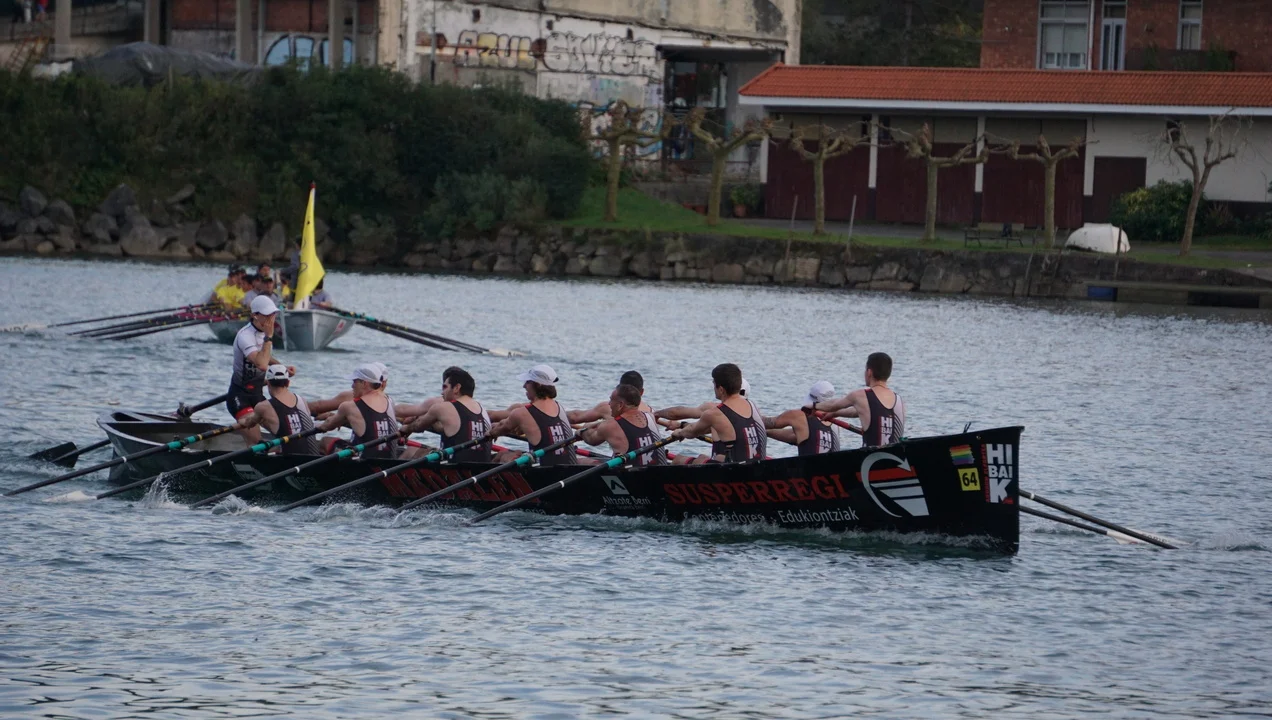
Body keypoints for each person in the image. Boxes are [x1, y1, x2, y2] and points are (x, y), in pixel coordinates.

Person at [227, 296, 294, 443]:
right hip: (240, 396)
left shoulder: (263, 333)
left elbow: (263, 356)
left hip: (257, 395)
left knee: (285, 431)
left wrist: (281, 367)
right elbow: (262, 364)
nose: (271, 319)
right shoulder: (245, 336)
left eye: (273, 314)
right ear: (255, 315)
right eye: (267, 315)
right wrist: (269, 337)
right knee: (255, 439)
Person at [669, 364, 765, 464]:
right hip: (758, 466)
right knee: (703, 457)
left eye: (714, 384)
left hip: (734, 470)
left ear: (721, 390)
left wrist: (679, 433)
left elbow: (692, 432)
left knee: (678, 460)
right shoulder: (753, 406)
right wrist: (681, 425)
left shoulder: (715, 413)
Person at [486, 364, 578, 466]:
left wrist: (490, 433)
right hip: (571, 467)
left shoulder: (522, 413)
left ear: (538, 384)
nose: (524, 386)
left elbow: (500, 429)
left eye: (527, 382)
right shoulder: (559, 406)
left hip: (546, 472)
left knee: (503, 455)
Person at [398, 367, 493, 462]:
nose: (442, 392)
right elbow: (457, 429)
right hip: (483, 467)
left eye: (445, 387)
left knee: (410, 451)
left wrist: (405, 429)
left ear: (456, 388)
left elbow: (418, 426)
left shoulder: (443, 407)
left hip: (455, 467)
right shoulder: (482, 409)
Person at [813, 352, 905, 447]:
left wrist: (813, 406)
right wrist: (836, 413)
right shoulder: (899, 400)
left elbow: (833, 405)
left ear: (869, 372)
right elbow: (861, 411)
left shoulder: (860, 395)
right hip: (898, 455)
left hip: (871, 455)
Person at [315, 363, 402, 459]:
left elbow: (327, 425)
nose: (352, 386)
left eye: (354, 381)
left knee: (325, 441)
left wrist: (315, 426)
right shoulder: (389, 400)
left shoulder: (349, 406)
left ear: (364, 383)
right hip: (389, 461)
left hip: (364, 463)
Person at [238, 365, 323, 455]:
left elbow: (249, 424)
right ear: (288, 383)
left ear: (268, 383)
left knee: (255, 448)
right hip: (313, 456)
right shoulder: (302, 400)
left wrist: (242, 421)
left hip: (289, 460)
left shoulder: (263, 406)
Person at [577, 383, 667, 466]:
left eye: (611, 400)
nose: (609, 404)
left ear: (620, 405)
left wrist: (580, 432)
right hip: (659, 472)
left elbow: (591, 439)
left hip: (631, 475)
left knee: (580, 462)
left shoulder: (610, 425)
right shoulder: (650, 416)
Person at [763, 381, 841, 456]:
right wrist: (767, 432)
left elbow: (768, 423)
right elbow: (800, 436)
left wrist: (756, 413)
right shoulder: (834, 422)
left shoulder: (798, 415)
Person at [655, 377, 753, 425]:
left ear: (722, 389)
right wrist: (681, 425)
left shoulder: (715, 409)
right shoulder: (753, 412)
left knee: (680, 458)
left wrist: (655, 414)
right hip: (750, 457)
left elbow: (675, 413)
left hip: (726, 458)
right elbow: (704, 429)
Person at [567, 370, 652, 425]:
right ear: (642, 392)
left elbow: (574, 417)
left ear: (619, 388)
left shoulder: (608, 407)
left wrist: (560, 413)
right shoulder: (650, 412)